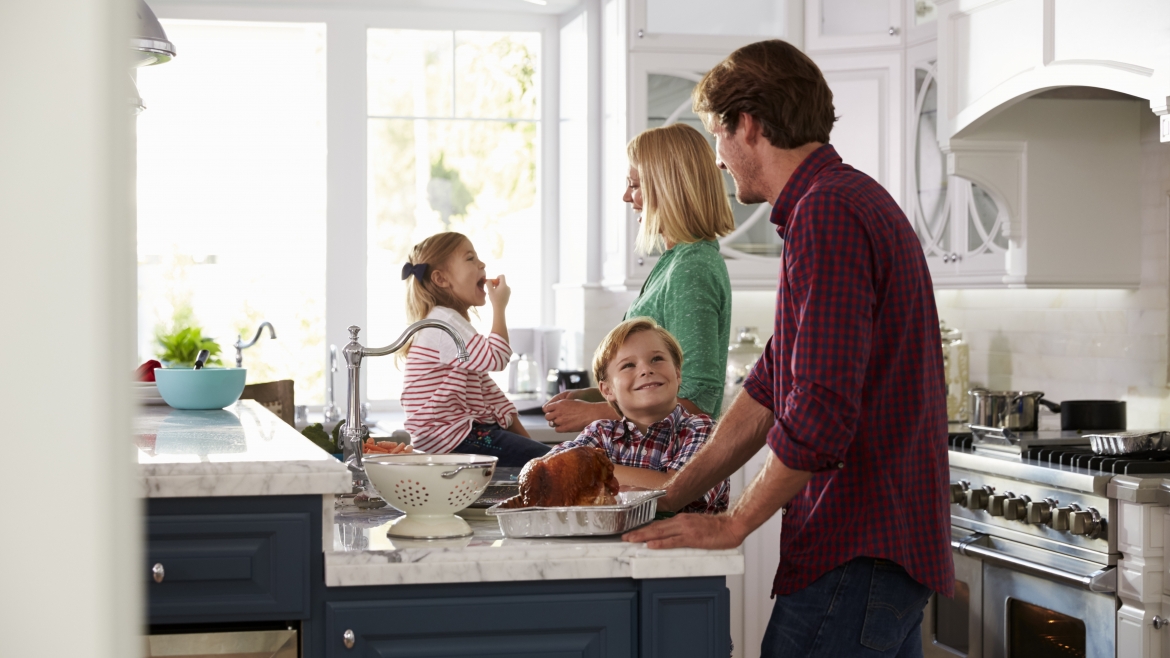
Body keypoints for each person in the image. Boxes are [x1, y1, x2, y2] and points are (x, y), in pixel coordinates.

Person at [623, 40, 953, 657]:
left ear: (747, 125)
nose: (718, 160)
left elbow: (820, 411)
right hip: (882, 548)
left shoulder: (826, 212)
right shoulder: (835, 203)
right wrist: (669, 497)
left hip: (858, 544)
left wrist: (735, 524)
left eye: (718, 135)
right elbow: (772, 387)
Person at [543, 123, 734, 433]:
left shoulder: (692, 268)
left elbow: (697, 397)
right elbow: (662, 384)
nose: (625, 196)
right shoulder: (676, 261)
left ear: (668, 188)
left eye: (634, 185)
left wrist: (596, 414)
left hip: (667, 462)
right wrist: (594, 396)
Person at [399, 232, 551, 467]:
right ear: (441, 279)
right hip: (452, 439)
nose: (482, 264)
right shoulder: (444, 322)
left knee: (554, 461)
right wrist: (499, 306)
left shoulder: (450, 324)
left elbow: (492, 396)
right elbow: (497, 357)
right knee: (558, 462)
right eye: (470, 258)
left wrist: (537, 451)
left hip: (458, 436)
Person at [551, 317, 729, 513]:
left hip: (684, 544)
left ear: (678, 374)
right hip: (609, 545)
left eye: (657, 359)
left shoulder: (705, 430)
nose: (646, 369)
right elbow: (554, 469)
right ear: (607, 390)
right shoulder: (601, 433)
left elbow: (677, 491)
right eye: (628, 365)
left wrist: (590, 470)